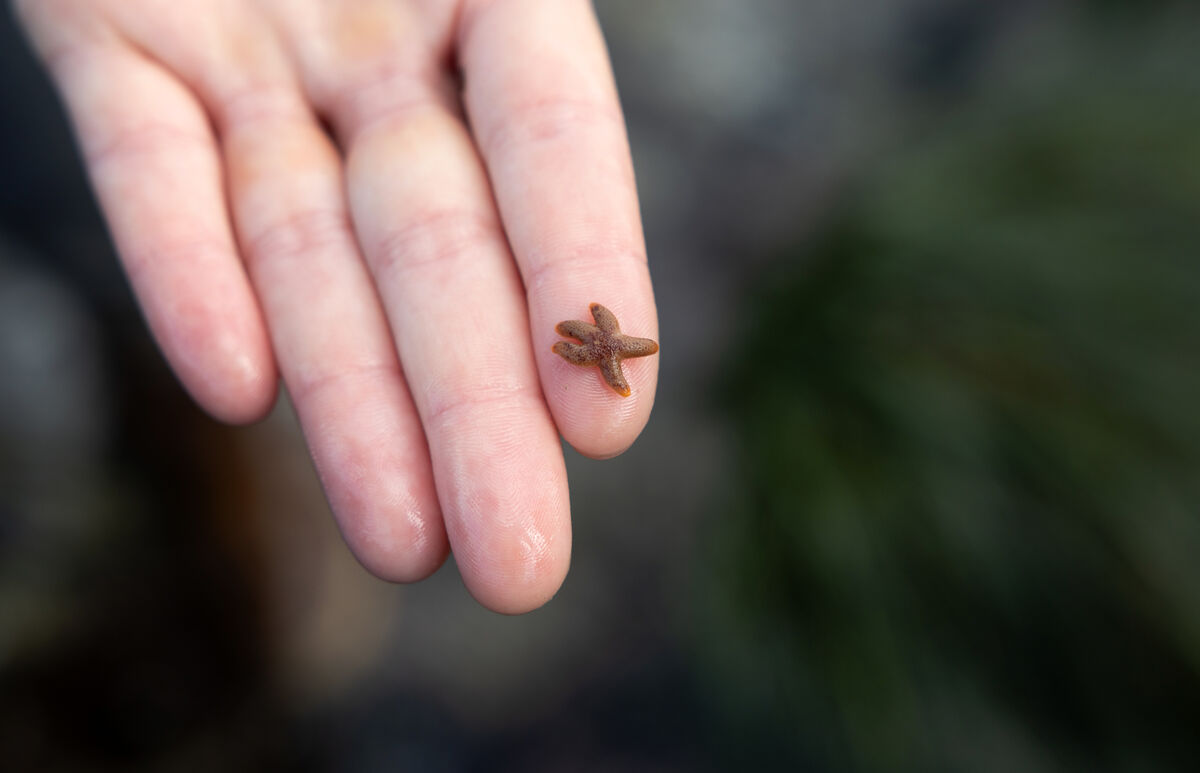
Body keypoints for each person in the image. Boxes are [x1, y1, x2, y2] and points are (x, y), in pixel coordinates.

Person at [14, 0, 659, 615]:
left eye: (607, 346)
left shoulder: (605, 345)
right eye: (605, 344)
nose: (608, 345)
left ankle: (180, 441)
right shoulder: (599, 344)